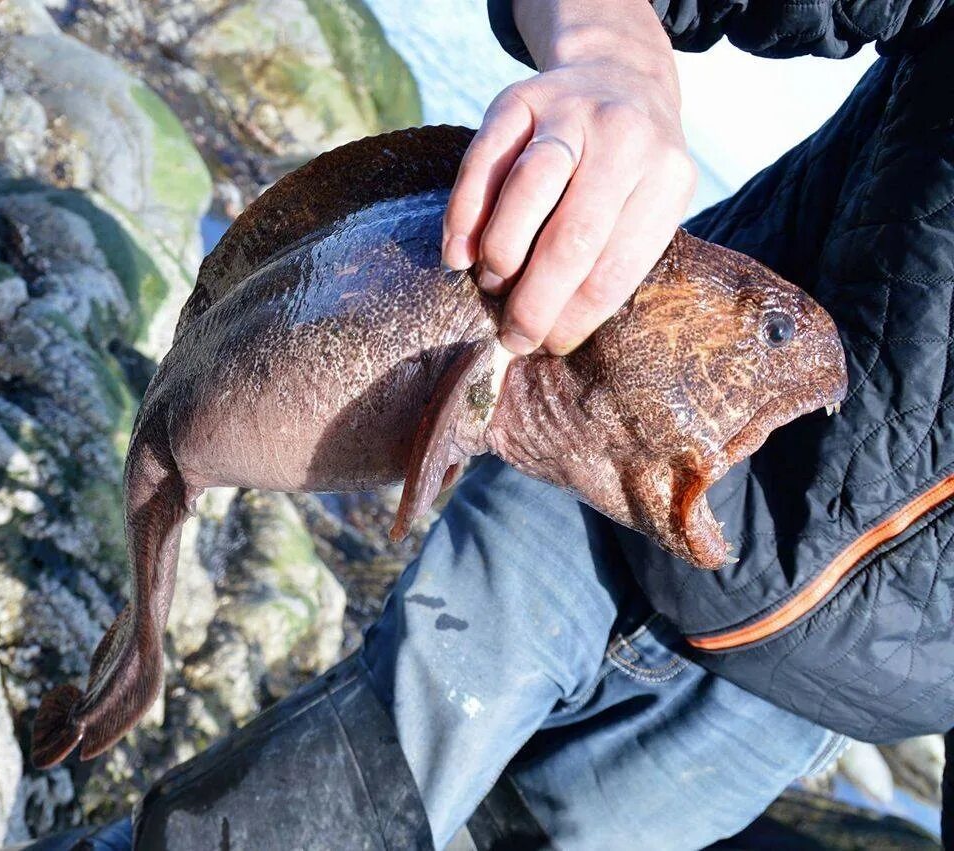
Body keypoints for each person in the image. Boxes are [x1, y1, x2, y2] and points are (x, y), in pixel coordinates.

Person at [49, 0, 954, 847]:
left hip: (813, 706)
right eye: (770, 331)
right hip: (577, 488)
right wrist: (612, 55)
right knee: (301, 804)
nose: (789, 349)